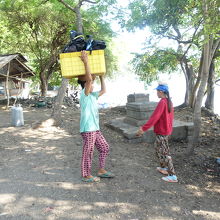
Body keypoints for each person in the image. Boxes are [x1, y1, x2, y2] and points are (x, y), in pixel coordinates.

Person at [78, 50, 114, 183]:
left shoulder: (93, 96)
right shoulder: (84, 94)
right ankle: (86, 174)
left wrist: (101, 76)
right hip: (88, 129)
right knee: (88, 152)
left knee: (104, 147)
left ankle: (101, 170)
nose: (92, 84)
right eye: (91, 82)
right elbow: (88, 79)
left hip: (95, 128)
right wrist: (86, 62)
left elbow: (104, 90)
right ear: (86, 85)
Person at [136, 83, 178, 183]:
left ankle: (173, 176)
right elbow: (170, 118)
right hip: (164, 131)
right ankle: (164, 168)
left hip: (163, 132)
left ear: (161, 92)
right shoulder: (168, 101)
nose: (156, 93)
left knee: (165, 153)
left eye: (157, 91)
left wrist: (143, 129)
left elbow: (154, 117)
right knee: (157, 148)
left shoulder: (163, 102)